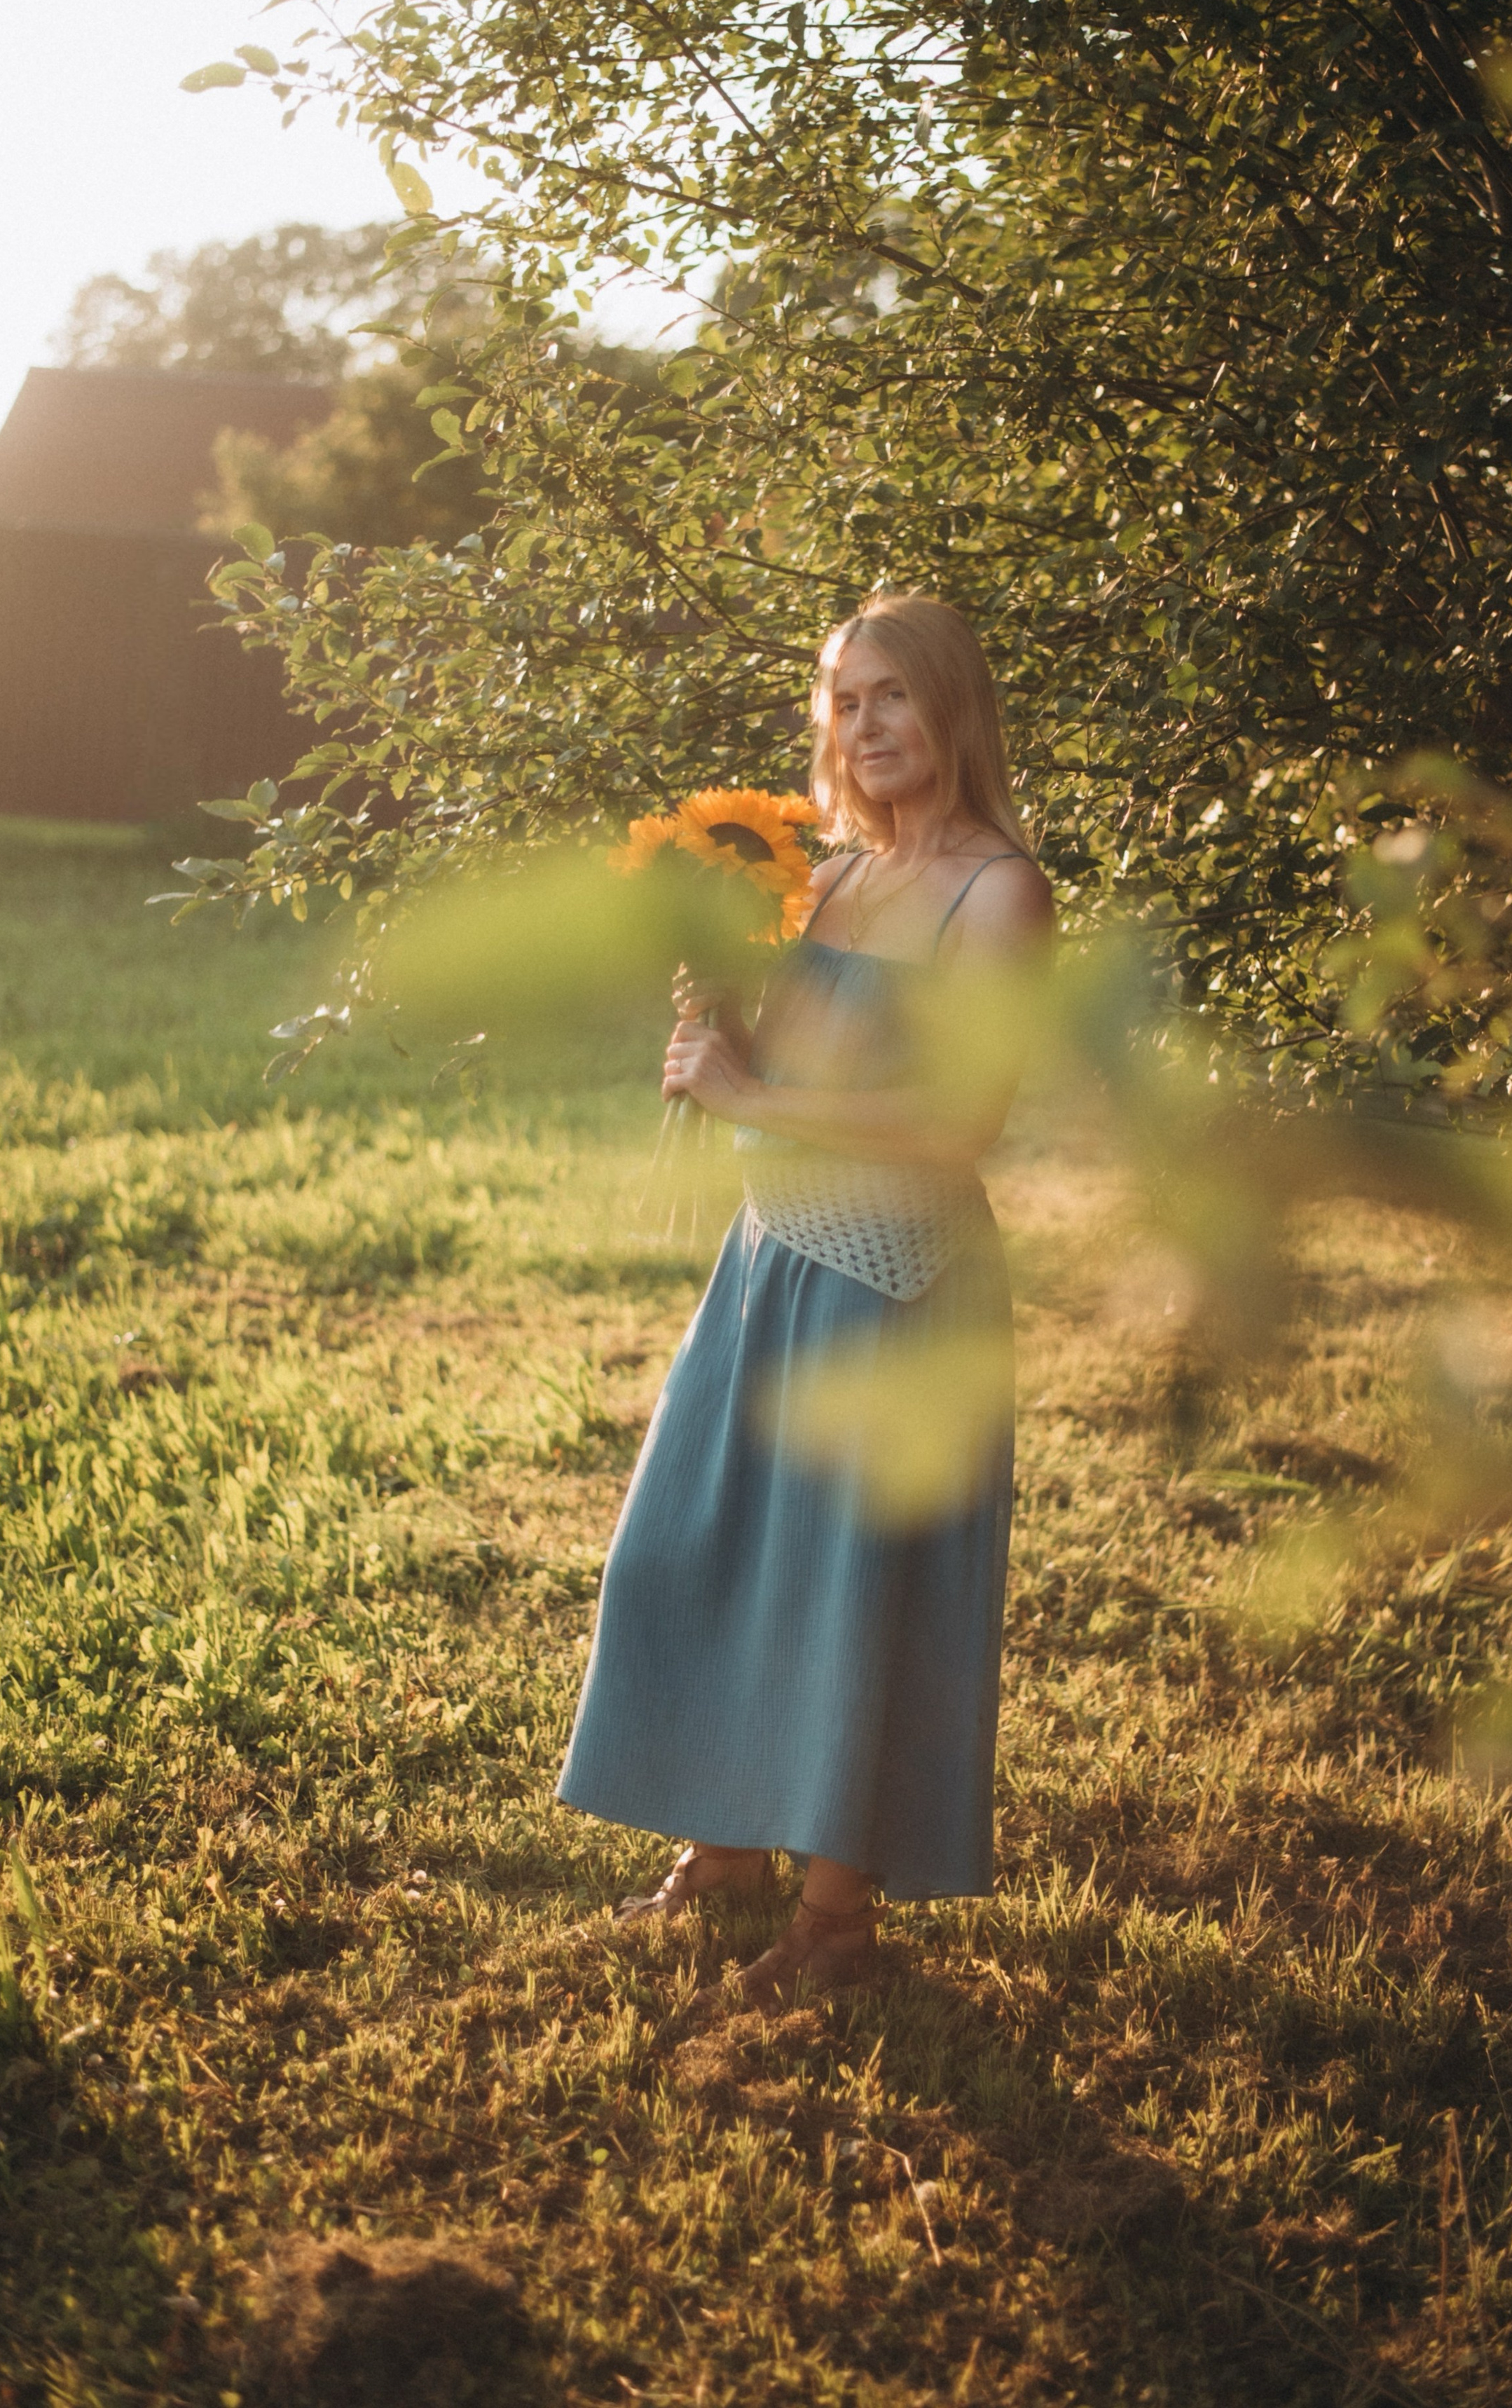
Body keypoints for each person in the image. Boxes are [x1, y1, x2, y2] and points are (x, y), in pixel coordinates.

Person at [556, 591, 1053, 2004]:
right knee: (689, 1551)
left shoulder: (997, 891)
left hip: (900, 1284)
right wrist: (714, 1011)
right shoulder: (818, 878)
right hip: (772, 1256)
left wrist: (753, 1090)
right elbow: (788, 1075)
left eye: (893, 696)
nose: (865, 726)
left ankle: (836, 1926)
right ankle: (722, 1851)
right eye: (844, 701)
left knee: (851, 1596)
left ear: (952, 708)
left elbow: (961, 1119)